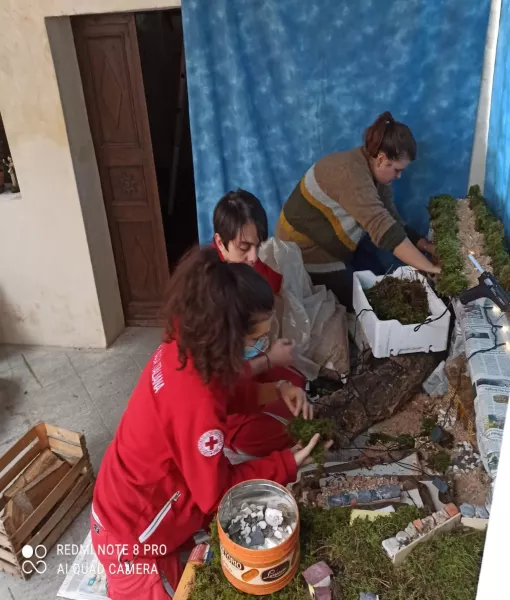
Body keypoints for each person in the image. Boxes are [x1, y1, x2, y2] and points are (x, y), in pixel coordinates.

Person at [91, 247, 327, 599]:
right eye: (254, 340)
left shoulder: (184, 344)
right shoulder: (197, 407)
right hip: (133, 537)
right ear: (225, 337)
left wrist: (276, 388)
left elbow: (225, 391)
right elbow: (216, 497)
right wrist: (286, 464)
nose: (262, 345)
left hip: (125, 493)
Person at [276, 111, 440, 308]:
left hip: (330, 243)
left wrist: (427, 246)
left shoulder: (373, 171)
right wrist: (430, 268)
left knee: (378, 272)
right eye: (397, 169)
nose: (399, 177)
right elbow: (384, 230)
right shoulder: (351, 176)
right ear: (381, 159)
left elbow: (391, 219)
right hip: (305, 252)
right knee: (368, 302)